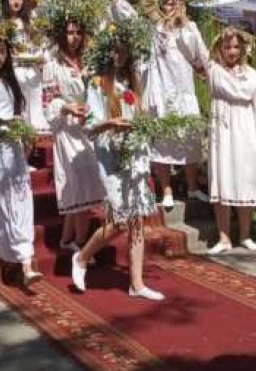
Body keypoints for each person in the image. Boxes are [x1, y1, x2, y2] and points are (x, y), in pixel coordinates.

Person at [70, 22, 163, 301]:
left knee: (136, 218)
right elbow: (89, 126)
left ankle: (136, 283)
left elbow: (139, 116)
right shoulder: (99, 84)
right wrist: (111, 122)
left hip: (134, 154)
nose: (119, 54)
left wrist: (144, 127)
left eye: (124, 49)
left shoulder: (133, 82)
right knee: (121, 219)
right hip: (110, 155)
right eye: (115, 49)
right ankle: (82, 257)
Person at [0, 35, 43, 286]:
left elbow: (19, 113)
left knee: (19, 198)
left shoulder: (11, 81)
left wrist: (24, 135)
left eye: (2, 51)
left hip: (12, 147)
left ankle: (25, 259)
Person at [206, 27, 256, 254]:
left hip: (244, 130)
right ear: (220, 48)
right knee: (223, 177)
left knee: (245, 177)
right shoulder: (214, 71)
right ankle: (224, 237)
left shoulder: (251, 74)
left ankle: (245, 235)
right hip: (222, 130)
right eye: (227, 46)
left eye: (236, 47)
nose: (232, 51)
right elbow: (196, 54)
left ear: (243, 49)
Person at [42, 19, 106, 250]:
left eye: (78, 31)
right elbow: (48, 100)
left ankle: (67, 239)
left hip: (88, 126)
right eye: (70, 32)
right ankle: (81, 242)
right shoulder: (53, 64)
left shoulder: (88, 60)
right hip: (68, 128)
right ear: (61, 35)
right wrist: (66, 107)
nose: (75, 37)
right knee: (79, 179)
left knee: (85, 182)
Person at [143, 0, 209, 208]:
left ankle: (192, 188)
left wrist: (185, 25)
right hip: (163, 93)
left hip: (185, 92)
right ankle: (167, 189)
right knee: (163, 143)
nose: (171, 8)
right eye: (167, 4)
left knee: (190, 140)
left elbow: (199, 55)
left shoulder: (190, 28)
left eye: (175, 3)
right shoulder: (155, 30)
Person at [0, 0, 49, 133]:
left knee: (34, 97)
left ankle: (37, 125)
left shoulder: (30, 21)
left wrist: (39, 57)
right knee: (19, 98)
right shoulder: (3, 23)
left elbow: (39, 43)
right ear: (7, 1)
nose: (16, 1)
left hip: (32, 67)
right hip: (15, 67)